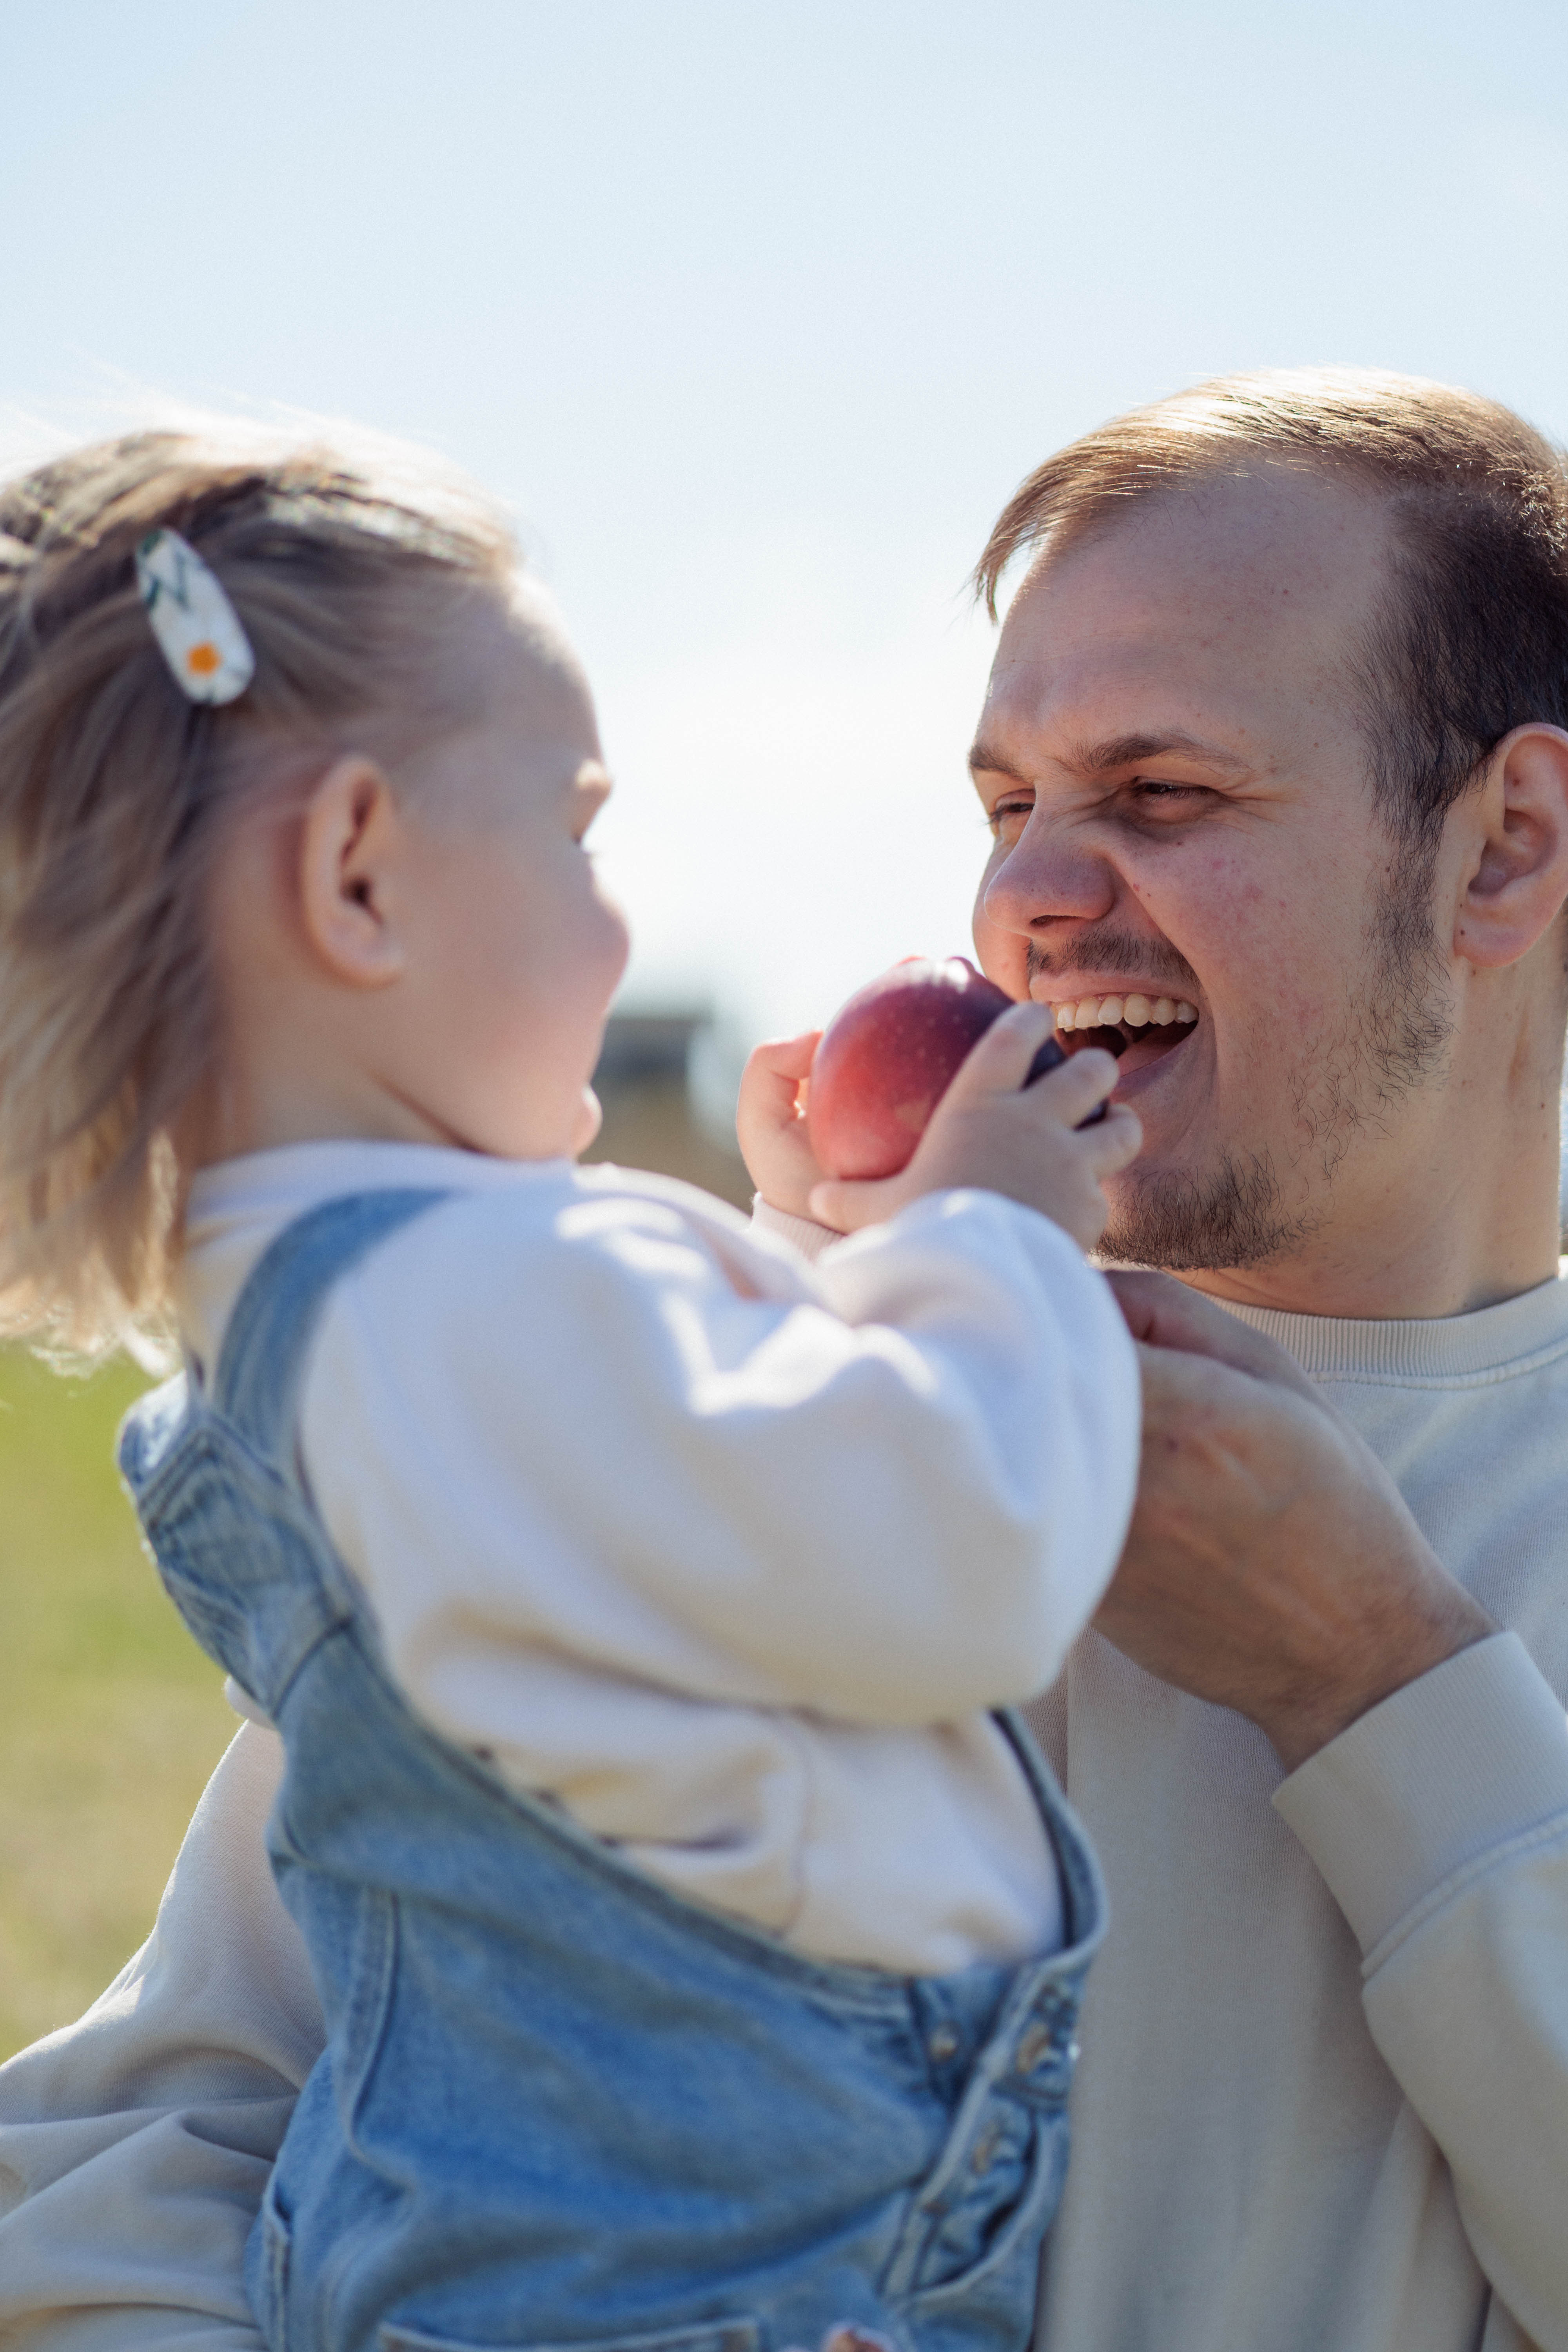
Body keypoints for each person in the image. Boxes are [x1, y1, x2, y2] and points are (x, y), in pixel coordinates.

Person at [4, 363, 1568, 2352]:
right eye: (1008, 806)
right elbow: (158, 2130)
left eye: (1161, 795)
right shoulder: (734, 1401)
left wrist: (1381, 1678)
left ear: (1503, 845)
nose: (1020, 900)